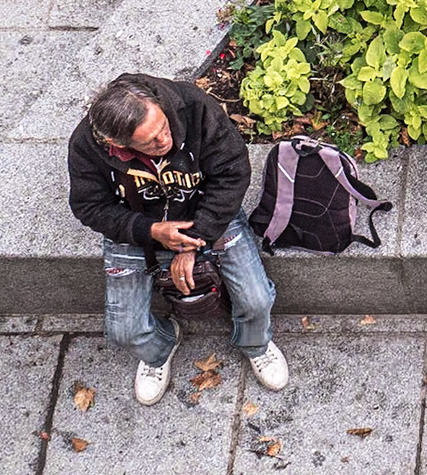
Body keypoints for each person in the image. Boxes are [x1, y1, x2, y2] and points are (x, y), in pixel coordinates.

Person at [67, 73, 290, 404]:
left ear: (156, 104)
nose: (164, 140)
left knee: (257, 299)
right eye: (151, 141)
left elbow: (233, 172)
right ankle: (160, 346)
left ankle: (255, 344)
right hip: (136, 226)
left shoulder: (194, 107)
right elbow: (89, 206)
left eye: (164, 128)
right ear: (118, 145)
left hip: (207, 214)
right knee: (124, 331)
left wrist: (195, 239)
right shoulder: (88, 145)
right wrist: (151, 231)